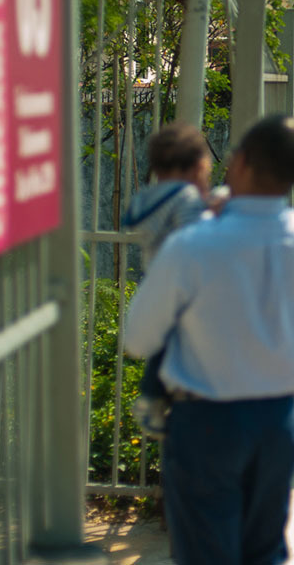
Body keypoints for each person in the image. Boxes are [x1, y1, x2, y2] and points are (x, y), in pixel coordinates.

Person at [125, 115, 294, 565]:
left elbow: (139, 339)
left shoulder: (192, 244)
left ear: (237, 163)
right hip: (277, 420)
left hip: (205, 424)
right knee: (265, 550)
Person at [120, 122, 215, 438]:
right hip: (184, 283)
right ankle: (152, 399)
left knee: (163, 346)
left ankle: (152, 397)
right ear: (199, 165)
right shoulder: (185, 196)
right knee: (174, 343)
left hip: (157, 276)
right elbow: (197, 234)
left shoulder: (148, 197)